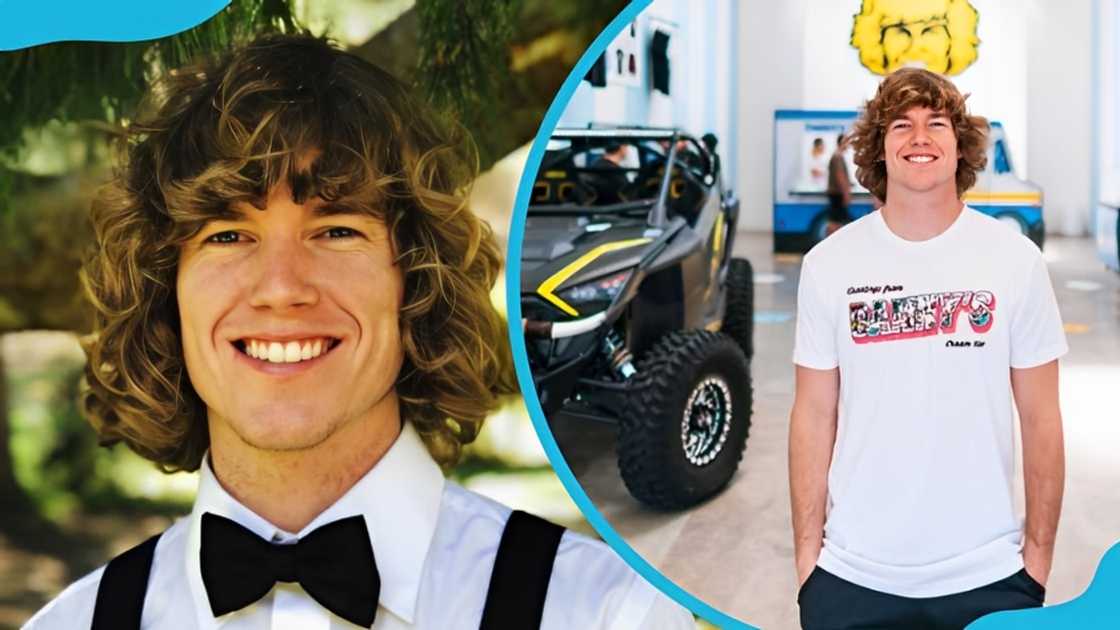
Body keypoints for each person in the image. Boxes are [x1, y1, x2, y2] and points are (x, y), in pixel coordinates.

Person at [25, 34, 694, 630]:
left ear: (416, 281)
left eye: (336, 229)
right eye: (228, 234)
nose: (282, 286)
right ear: (165, 294)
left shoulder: (610, 613)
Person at [790, 67, 1066, 629]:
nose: (920, 137)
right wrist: (807, 564)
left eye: (937, 123)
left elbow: (1042, 418)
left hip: (989, 576)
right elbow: (813, 417)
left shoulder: (1015, 261)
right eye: (901, 124)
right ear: (878, 147)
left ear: (960, 147)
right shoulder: (828, 266)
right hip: (850, 574)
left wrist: (1034, 562)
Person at [825, 132, 852, 236]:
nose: (848, 145)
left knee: (835, 219)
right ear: (842, 142)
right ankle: (831, 242)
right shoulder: (838, 157)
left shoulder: (837, 155)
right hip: (837, 193)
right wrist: (847, 194)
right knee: (835, 221)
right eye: (847, 142)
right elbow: (840, 177)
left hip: (835, 192)